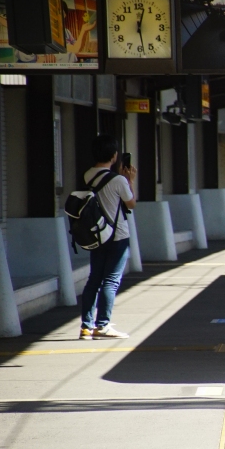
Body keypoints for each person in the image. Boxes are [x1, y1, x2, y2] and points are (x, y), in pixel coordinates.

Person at [79, 135, 136, 340]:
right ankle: (102, 325)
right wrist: (130, 181)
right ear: (113, 156)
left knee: (94, 279)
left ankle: (86, 326)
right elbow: (131, 204)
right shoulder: (119, 180)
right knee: (111, 281)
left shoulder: (87, 175)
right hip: (117, 235)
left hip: (96, 235)